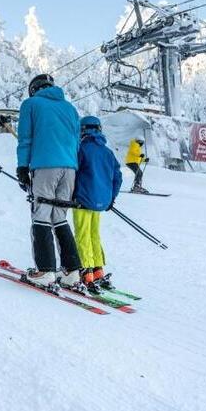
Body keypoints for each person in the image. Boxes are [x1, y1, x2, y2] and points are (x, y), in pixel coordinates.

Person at [16, 74, 83, 288]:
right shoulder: (70, 109)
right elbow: (77, 143)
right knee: (60, 217)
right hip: (70, 168)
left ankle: (45, 271)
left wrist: (22, 167)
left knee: (41, 215)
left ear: (33, 89)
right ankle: (72, 271)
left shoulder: (30, 104)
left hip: (45, 166)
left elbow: (25, 139)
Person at [73, 116, 122, 293]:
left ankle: (85, 270)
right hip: (101, 202)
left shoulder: (81, 149)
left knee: (82, 234)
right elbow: (118, 177)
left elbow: (73, 172)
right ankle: (98, 269)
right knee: (94, 234)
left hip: (83, 200)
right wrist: (111, 198)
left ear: (83, 130)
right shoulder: (108, 152)